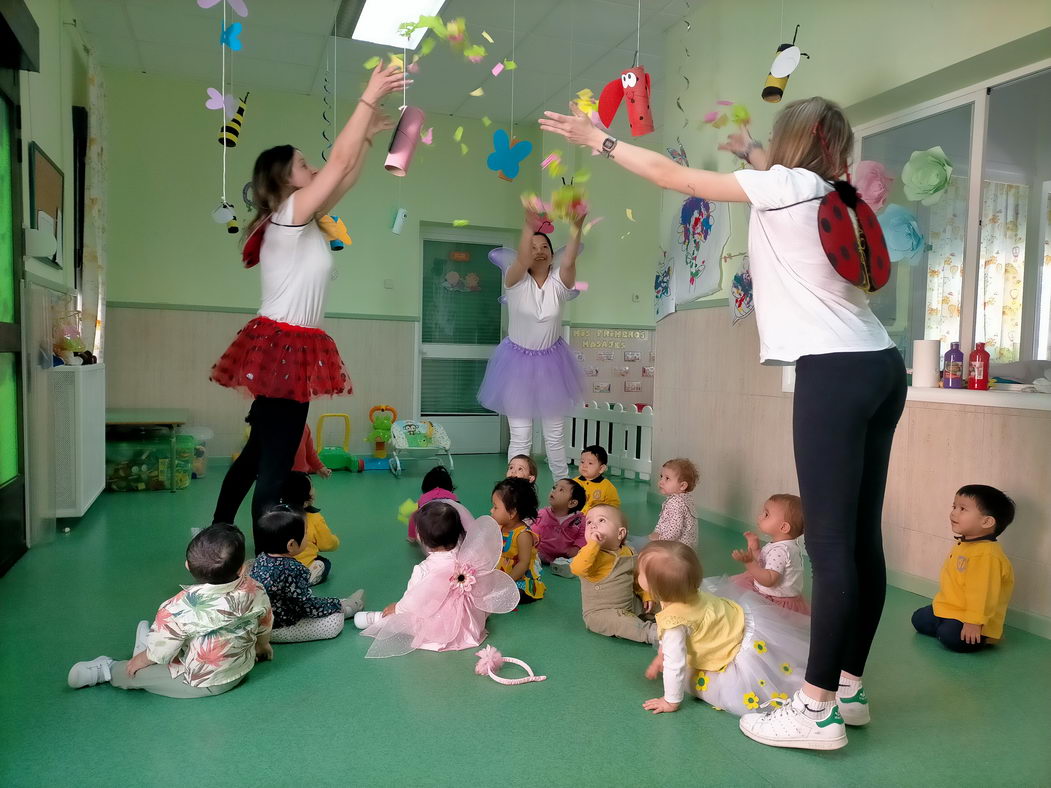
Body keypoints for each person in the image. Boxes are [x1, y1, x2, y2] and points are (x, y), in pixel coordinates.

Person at [541, 96, 907, 750]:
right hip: (880, 365)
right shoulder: (833, 194)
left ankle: (816, 709)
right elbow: (782, 182)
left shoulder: (783, 187)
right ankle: (847, 689)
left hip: (833, 372)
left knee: (828, 546)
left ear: (789, 141)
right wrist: (751, 156)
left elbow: (670, 176)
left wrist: (599, 140)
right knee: (858, 541)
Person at [210, 63, 408, 545]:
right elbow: (336, 169)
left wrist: (366, 137)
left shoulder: (299, 216)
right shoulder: (288, 215)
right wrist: (365, 100)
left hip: (285, 347)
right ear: (284, 179)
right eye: (304, 165)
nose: (313, 169)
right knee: (274, 469)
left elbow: (345, 177)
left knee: (259, 456)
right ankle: (268, 570)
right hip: (283, 349)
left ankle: (217, 535)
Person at [67, 524, 273, 698]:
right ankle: (146, 645)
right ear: (242, 569)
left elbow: (161, 651)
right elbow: (265, 622)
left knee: (134, 673)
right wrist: (262, 647)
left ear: (186, 565)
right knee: (174, 643)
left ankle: (107, 669)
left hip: (203, 682)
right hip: (242, 666)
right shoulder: (255, 589)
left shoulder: (177, 607)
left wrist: (142, 659)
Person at [637, 542, 810, 730]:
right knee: (780, 670)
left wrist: (671, 700)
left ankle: (809, 698)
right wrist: (661, 655)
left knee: (698, 683)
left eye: (640, 574)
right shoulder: (685, 590)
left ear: (656, 588)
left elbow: (675, 662)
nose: (637, 575)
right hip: (738, 626)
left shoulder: (675, 624)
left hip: (731, 651)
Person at [477, 208, 587, 480]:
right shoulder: (514, 281)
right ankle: (514, 491)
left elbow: (570, 260)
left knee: (554, 436)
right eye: (532, 247)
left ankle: (563, 492)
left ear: (552, 254)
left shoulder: (560, 283)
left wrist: (576, 225)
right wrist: (529, 225)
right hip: (516, 365)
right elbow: (523, 257)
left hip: (553, 363)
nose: (539, 251)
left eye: (544, 246)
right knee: (521, 437)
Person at [353, 501, 519, 657]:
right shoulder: (467, 560)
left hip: (440, 628)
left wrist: (397, 607)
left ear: (423, 540)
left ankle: (378, 618)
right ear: (459, 533)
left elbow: (414, 600)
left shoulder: (424, 569)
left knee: (407, 619)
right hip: (468, 624)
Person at [912, 485, 1015, 653]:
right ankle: (947, 626)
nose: (954, 513)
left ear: (987, 521)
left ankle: (985, 636)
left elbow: (982, 593)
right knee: (919, 619)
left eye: (962, 509)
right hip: (953, 609)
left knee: (952, 637)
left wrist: (974, 622)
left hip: (975, 617)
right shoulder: (966, 544)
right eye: (954, 507)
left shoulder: (986, 555)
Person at [249, 508, 364, 642]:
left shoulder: (261, 558)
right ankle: (349, 607)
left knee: (322, 604)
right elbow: (308, 607)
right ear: (291, 544)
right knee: (334, 622)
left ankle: (342, 604)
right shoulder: (294, 569)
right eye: (305, 535)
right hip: (279, 628)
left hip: (260, 624)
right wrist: (336, 605)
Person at [570, 505, 656, 644]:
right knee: (621, 624)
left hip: (630, 603)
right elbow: (577, 569)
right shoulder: (590, 554)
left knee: (656, 601)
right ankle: (652, 633)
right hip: (601, 613)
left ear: (620, 533)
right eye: (589, 522)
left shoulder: (629, 551)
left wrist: (646, 594)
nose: (593, 526)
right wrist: (593, 545)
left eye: (601, 520)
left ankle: (673, 617)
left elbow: (637, 578)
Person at [730, 494, 810, 614]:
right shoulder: (784, 545)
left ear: (783, 527)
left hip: (774, 602)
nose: (760, 516)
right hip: (774, 593)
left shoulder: (781, 551)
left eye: (766, 514)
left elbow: (769, 580)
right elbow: (765, 562)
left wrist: (750, 563)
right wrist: (756, 548)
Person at [490, 477, 545, 605]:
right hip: (501, 573)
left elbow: (523, 564)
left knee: (515, 593)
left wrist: (507, 582)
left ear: (512, 512)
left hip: (519, 578)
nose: (491, 510)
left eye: (495, 507)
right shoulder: (500, 526)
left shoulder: (522, 535)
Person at [280, 471, 340, 585]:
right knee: (324, 563)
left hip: (277, 565)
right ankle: (307, 578)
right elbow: (326, 544)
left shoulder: (274, 514)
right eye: (311, 486)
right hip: (303, 564)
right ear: (307, 499)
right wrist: (335, 540)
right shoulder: (314, 518)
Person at [534, 477, 587, 565]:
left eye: (561, 490)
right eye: (555, 487)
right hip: (541, 553)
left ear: (572, 503)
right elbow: (534, 531)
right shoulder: (542, 514)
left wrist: (576, 547)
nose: (554, 490)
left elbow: (583, 536)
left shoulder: (579, 520)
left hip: (566, 557)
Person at [647, 458, 699, 548]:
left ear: (682, 485)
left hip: (676, 549)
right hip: (687, 548)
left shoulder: (675, 503)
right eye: (661, 476)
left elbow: (674, 531)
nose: (661, 482)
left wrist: (660, 537)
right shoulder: (686, 498)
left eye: (667, 478)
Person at [406, 465, 459, 544]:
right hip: (450, 527)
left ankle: (411, 538)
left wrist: (412, 536)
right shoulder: (453, 496)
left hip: (430, 530)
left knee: (414, 515)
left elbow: (414, 517)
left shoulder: (423, 497)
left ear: (425, 486)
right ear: (450, 486)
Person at [575, 445, 621, 513]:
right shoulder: (574, 482)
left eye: (590, 463)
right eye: (582, 462)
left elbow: (613, 505)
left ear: (601, 468)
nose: (584, 466)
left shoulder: (607, 487)